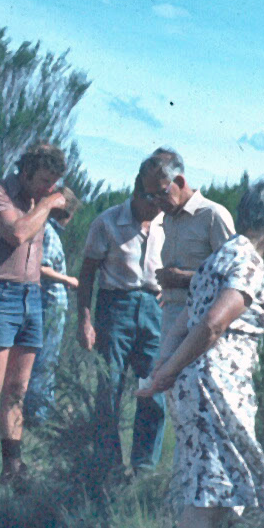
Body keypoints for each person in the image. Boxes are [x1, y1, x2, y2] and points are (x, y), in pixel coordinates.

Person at [137, 181, 264, 528]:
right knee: (203, 497)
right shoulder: (247, 261)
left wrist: (163, 372)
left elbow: (182, 323)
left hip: (198, 384)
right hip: (215, 386)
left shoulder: (216, 259)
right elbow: (211, 324)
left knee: (205, 489)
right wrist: (164, 374)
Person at [0, 142, 70, 507]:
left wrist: (52, 202)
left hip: (32, 297)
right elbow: (17, 233)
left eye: (53, 182)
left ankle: (12, 468)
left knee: (17, 391)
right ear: (26, 172)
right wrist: (49, 204)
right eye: (42, 180)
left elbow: (67, 213)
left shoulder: (42, 199)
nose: (46, 188)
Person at [76, 178, 167, 473]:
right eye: (152, 200)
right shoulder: (108, 221)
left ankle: (143, 468)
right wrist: (85, 321)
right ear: (138, 194)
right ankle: (108, 466)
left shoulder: (168, 224)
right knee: (110, 387)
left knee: (152, 387)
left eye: (162, 200)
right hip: (116, 308)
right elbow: (87, 273)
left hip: (154, 310)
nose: (156, 207)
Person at [138, 147, 235, 359]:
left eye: (161, 193)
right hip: (171, 316)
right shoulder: (169, 219)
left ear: (180, 182)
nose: (156, 202)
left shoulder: (212, 215)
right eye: (150, 196)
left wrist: (184, 279)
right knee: (169, 384)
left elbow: (234, 279)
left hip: (203, 322)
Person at [24, 188, 80, 426]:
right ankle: (38, 417)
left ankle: (37, 411)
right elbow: (42, 268)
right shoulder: (48, 233)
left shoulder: (48, 231)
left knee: (46, 359)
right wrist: (69, 280)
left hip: (50, 304)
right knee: (45, 360)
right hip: (49, 304)